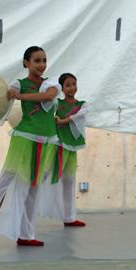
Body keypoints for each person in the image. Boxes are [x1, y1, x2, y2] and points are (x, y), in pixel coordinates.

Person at [0, 46, 60, 248]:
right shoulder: (18, 84)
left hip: (46, 142)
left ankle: (26, 235)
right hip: (24, 139)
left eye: (44, 60)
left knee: (33, 188)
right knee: (6, 181)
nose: (42, 65)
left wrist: (20, 97)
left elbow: (48, 96)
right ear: (26, 63)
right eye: (37, 61)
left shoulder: (51, 83)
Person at [40, 73, 87, 227]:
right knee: (47, 177)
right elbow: (46, 112)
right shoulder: (57, 104)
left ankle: (69, 218)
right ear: (61, 88)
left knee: (69, 182)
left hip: (71, 147)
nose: (72, 87)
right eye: (67, 85)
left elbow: (80, 116)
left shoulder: (82, 104)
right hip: (58, 146)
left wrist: (62, 121)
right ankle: (34, 207)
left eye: (74, 83)